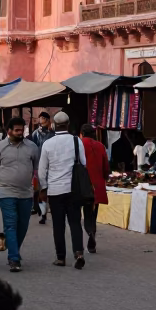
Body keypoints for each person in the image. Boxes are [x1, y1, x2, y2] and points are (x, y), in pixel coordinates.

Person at [0, 117, 39, 273]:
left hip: (26, 193)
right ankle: (14, 258)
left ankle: (12, 248)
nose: (20, 132)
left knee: (23, 225)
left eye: (22, 130)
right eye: (17, 130)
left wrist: (40, 190)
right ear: (8, 131)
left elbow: (36, 170)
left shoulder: (32, 147)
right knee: (10, 224)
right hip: (6, 191)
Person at [37, 111, 86, 268]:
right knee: (75, 222)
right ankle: (78, 253)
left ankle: (61, 257)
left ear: (53, 125)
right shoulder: (76, 140)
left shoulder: (48, 144)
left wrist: (43, 189)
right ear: (68, 124)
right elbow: (83, 163)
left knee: (58, 225)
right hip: (73, 189)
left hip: (55, 190)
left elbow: (41, 170)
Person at [80, 124, 109, 254]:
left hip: (83, 185)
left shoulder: (79, 144)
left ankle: (89, 232)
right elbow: (106, 168)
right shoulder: (100, 146)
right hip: (97, 186)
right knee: (93, 213)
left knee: (85, 213)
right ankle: (92, 234)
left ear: (82, 133)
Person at [30, 111, 54, 222]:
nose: (42, 120)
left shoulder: (52, 134)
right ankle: (41, 211)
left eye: (44, 118)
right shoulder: (35, 134)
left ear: (49, 120)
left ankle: (46, 211)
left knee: (49, 190)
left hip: (51, 166)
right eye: (41, 118)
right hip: (38, 165)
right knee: (39, 190)